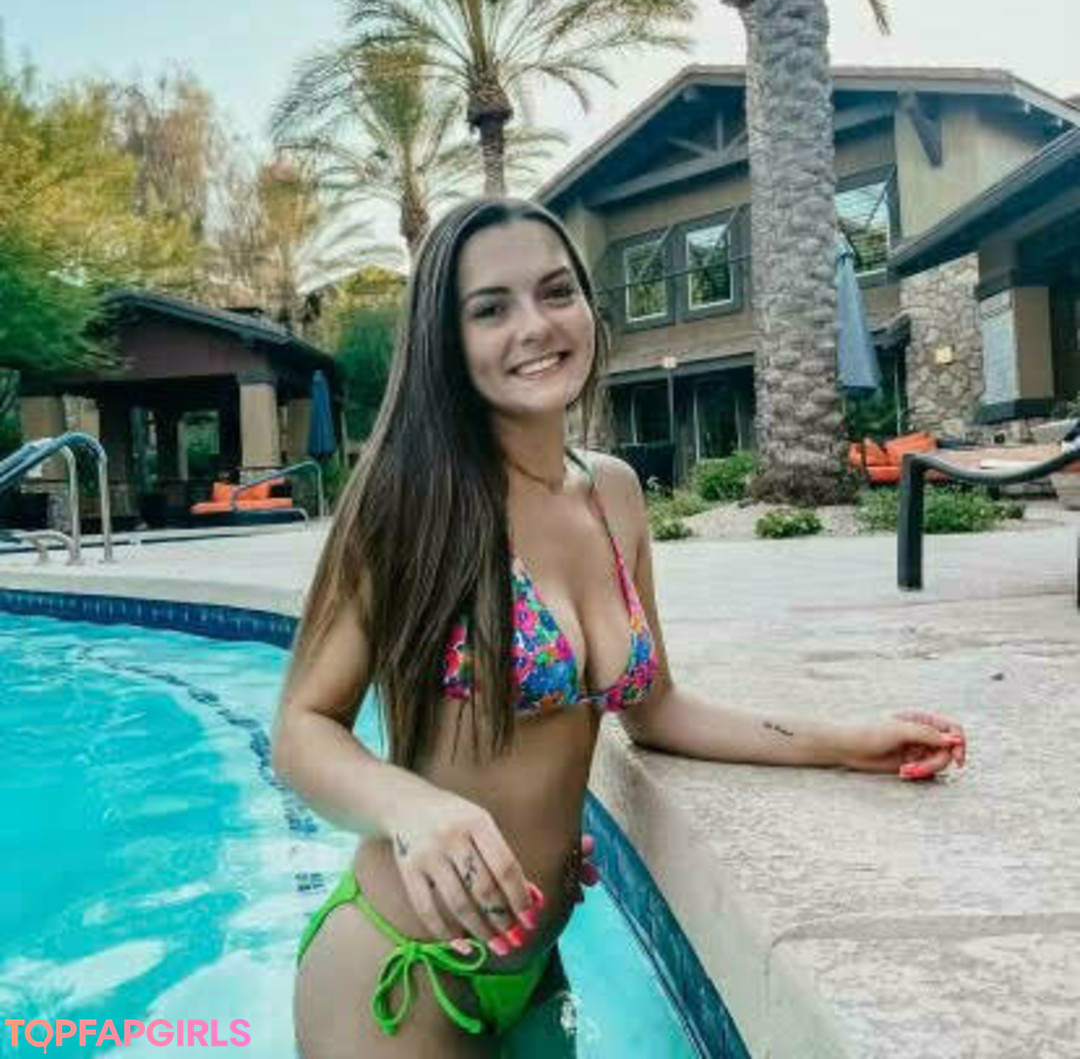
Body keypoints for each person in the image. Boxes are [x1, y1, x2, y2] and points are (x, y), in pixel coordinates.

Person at [272, 197, 968, 1058]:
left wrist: (846, 740)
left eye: (556, 291)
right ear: (445, 340)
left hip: (537, 967)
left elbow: (658, 707)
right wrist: (411, 806)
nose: (535, 326)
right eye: (490, 308)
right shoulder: (407, 502)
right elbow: (302, 728)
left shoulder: (613, 493)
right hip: (397, 974)